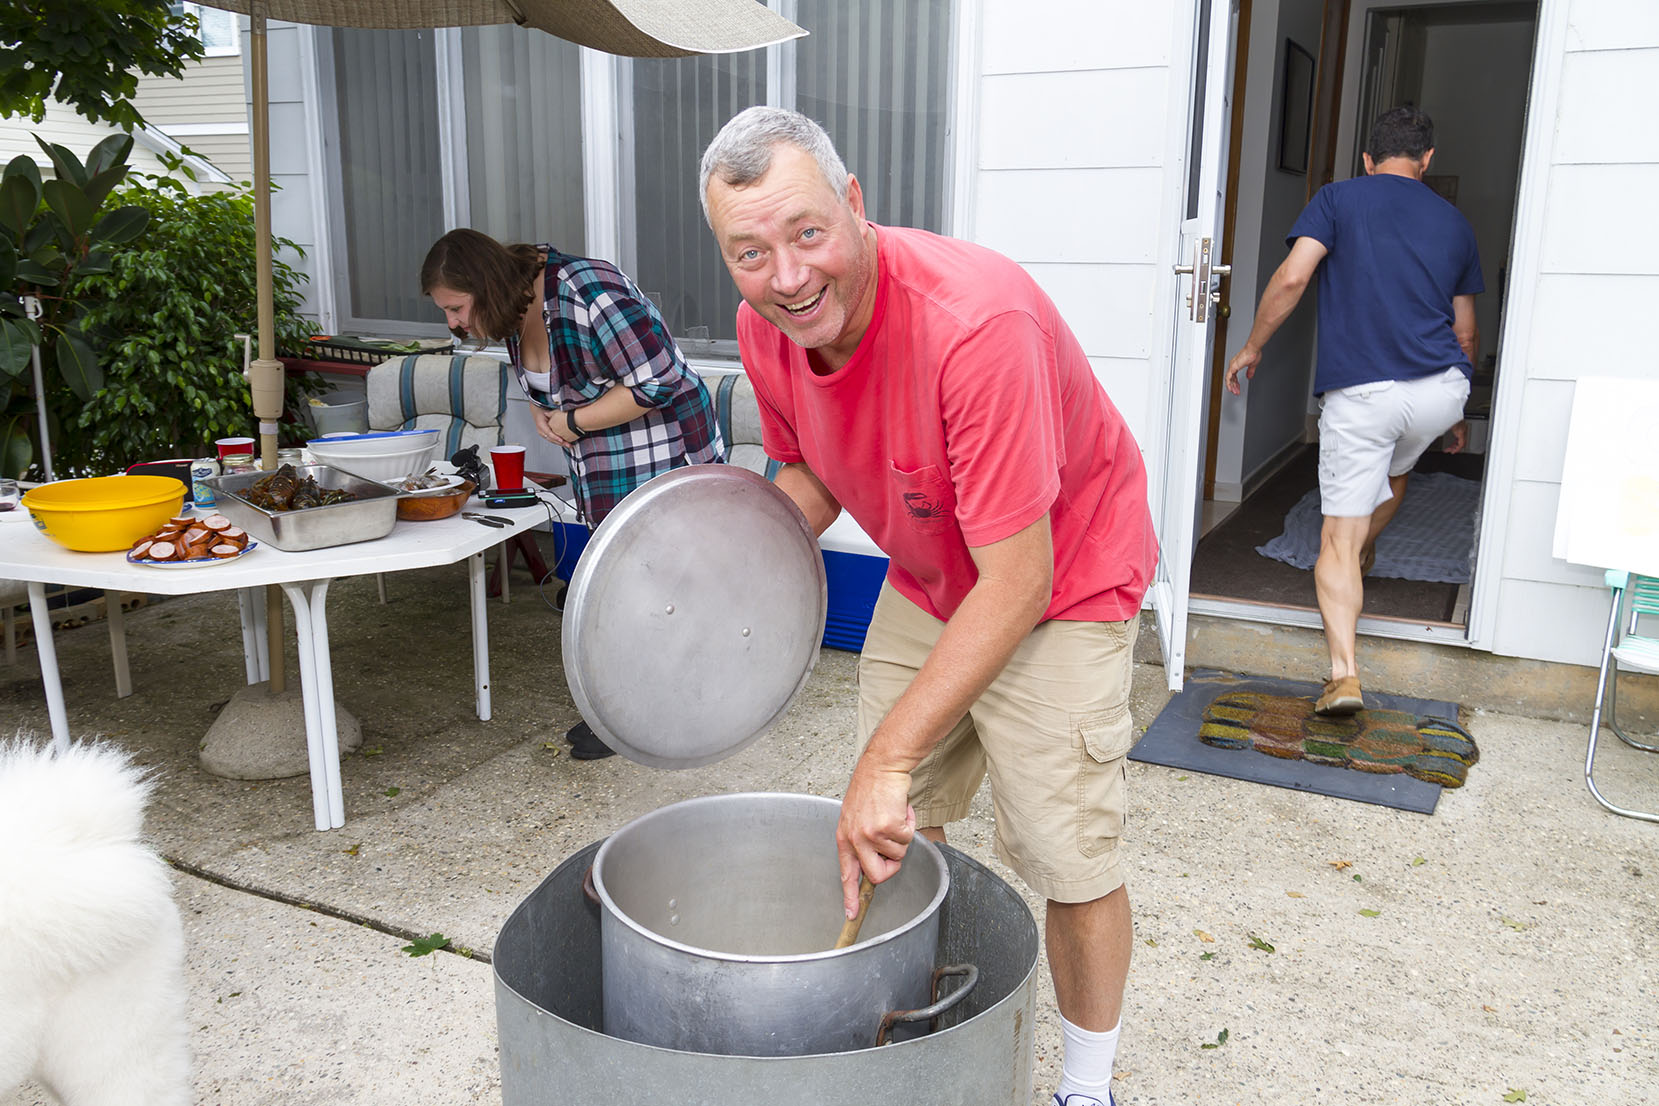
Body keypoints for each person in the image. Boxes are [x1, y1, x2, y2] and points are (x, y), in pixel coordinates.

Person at [700, 106, 1159, 1106]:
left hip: (1063, 578)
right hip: (932, 568)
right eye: (749, 252)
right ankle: (933, 1036)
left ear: (854, 203)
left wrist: (885, 756)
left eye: (807, 233)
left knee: (1068, 854)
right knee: (899, 825)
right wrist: (719, 557)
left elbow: (1019, 582)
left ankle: (1087, 1088)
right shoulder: (764, 327)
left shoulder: (974, 327)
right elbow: (809, 474)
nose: (786, 277)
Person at [421, 228, 725, 759]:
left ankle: (645, 716)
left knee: (660, 592)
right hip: (603, 470)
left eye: (455, 308)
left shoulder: (587, 289)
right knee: (629, 589)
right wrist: (548, 413)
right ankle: (635, 710)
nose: (452, 323)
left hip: (664, 454)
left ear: (485, 284)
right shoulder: (513, 311)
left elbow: (659, 381)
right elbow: (559, 387)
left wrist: (573, 421)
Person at [1224, 106, 1480, 717]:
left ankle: (1343, 676)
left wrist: (1253, 344)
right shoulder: (1455, 222)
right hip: (1441, 387)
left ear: (1367, 159)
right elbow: (1466, 332)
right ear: (1426, 160)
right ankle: (1365, 548)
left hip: (1365, 395)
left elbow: (1293, 279)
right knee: (1396, 468)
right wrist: (1455, 409)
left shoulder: (1337, 199)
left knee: (1336, 536)